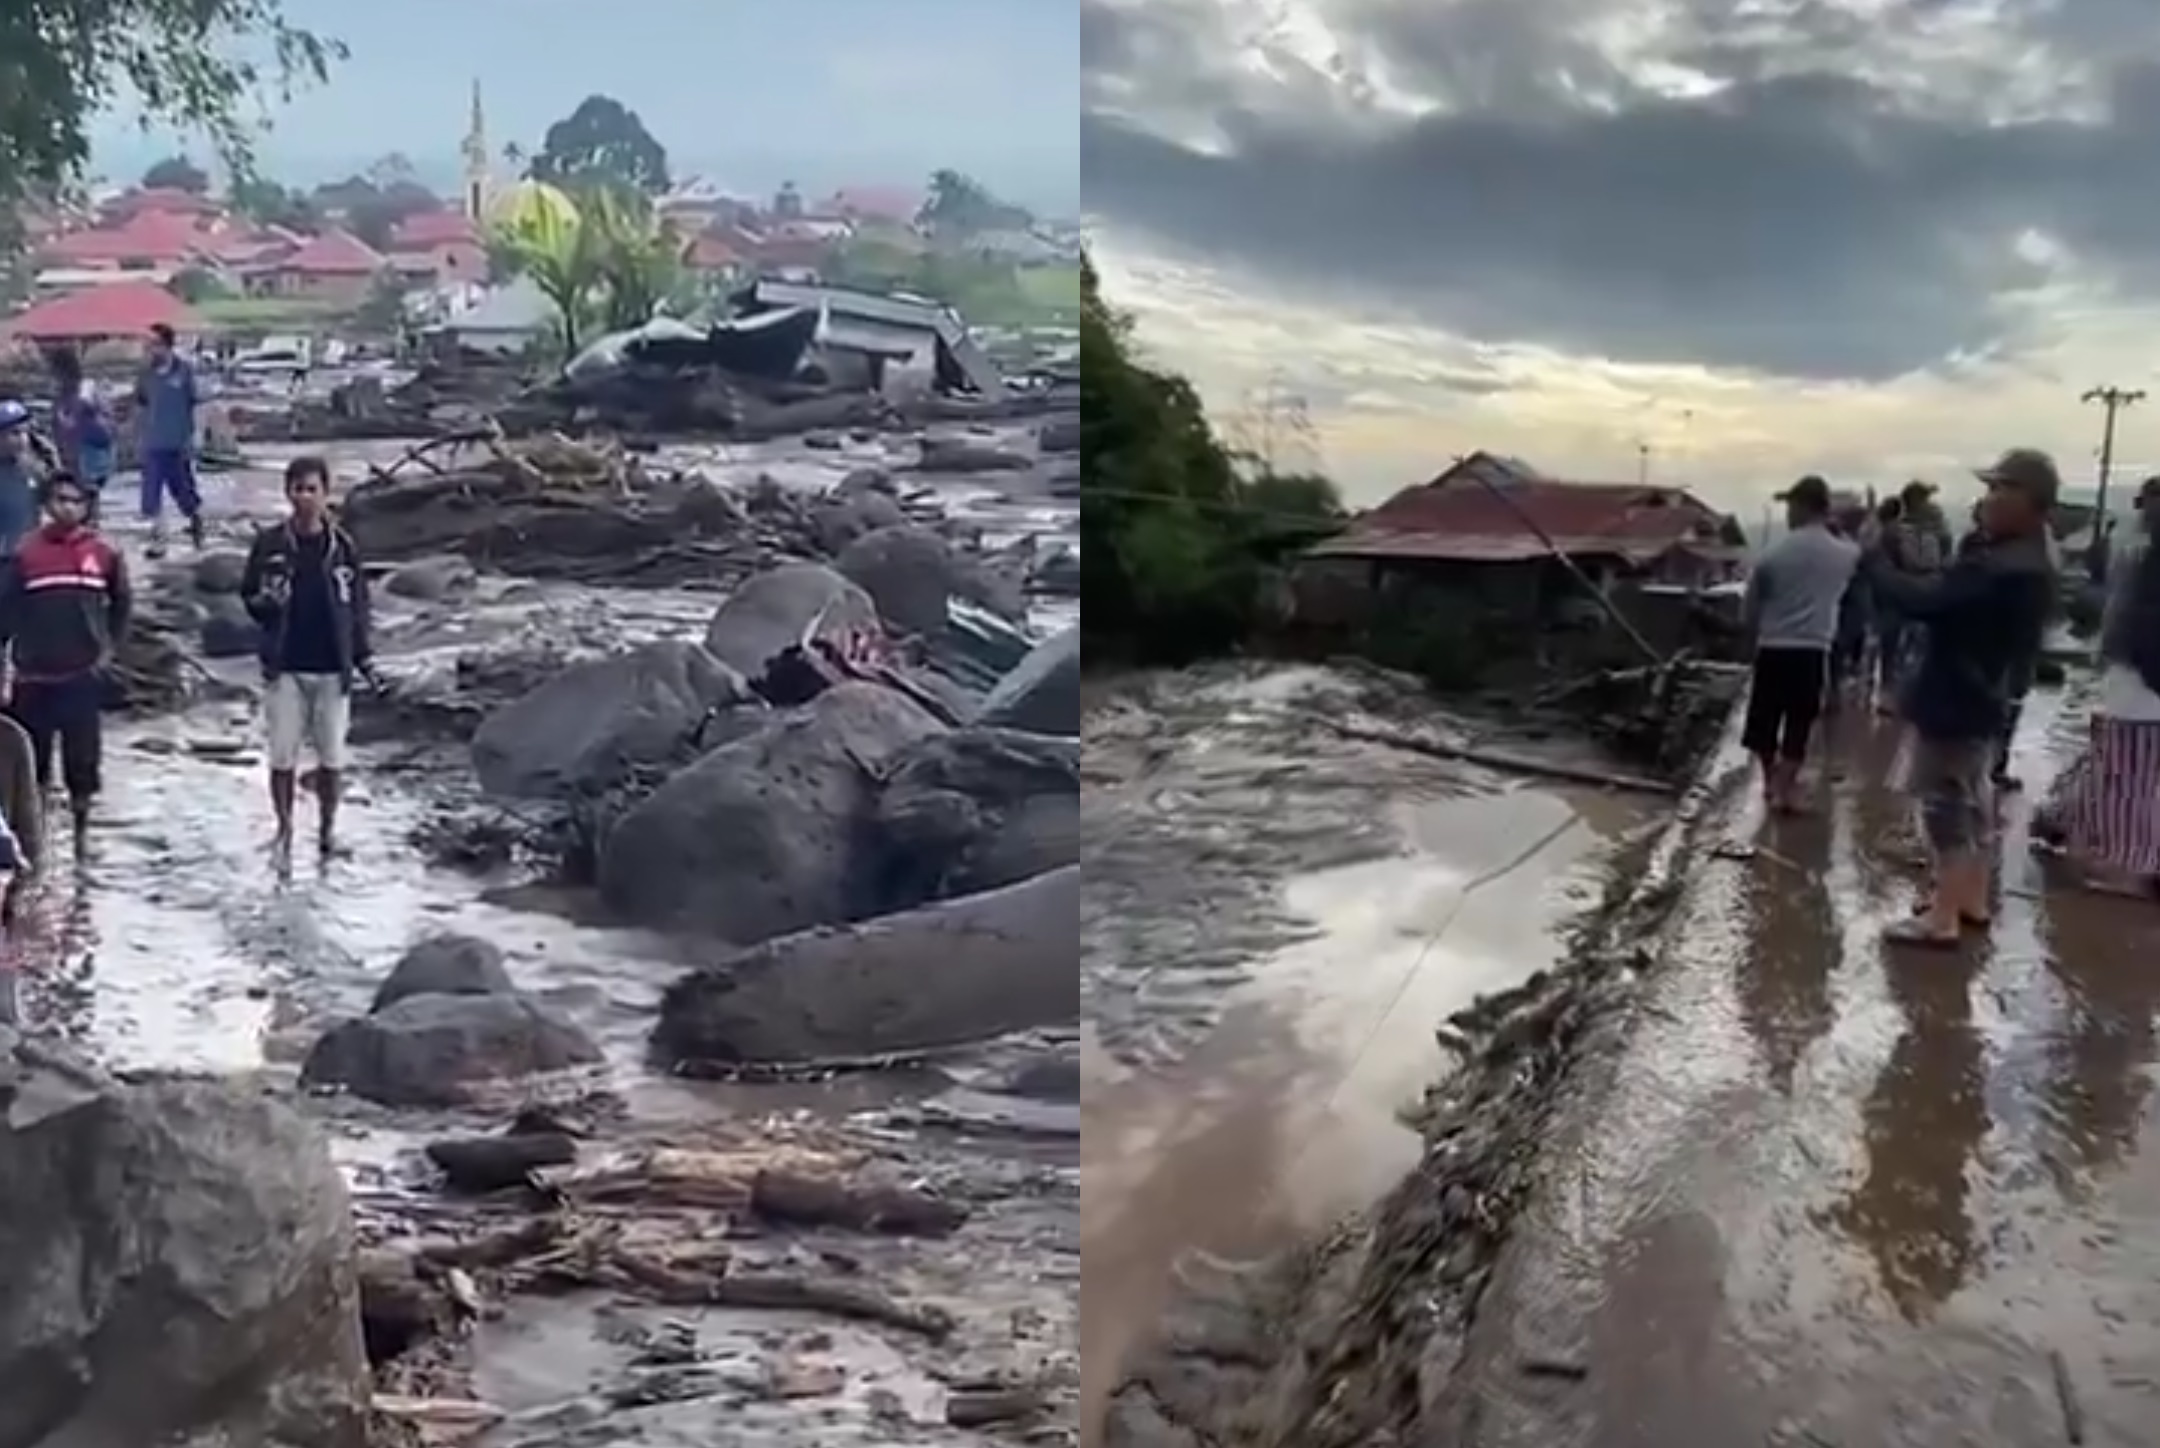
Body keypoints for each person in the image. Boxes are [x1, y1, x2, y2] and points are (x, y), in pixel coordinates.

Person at [1867, 448, 2059, 946]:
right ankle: (1969, 899)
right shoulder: (2027, 555)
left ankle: (1941, 918)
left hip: (1956, 696)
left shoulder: (2001, 566)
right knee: (1974, 800)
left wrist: (1874, 564)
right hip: (1983, 695)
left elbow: (1926, 602)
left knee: (1944, 805)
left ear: (2030, 501)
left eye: (2000, 489)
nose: (1988, 499)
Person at [240, 456, 376, 855]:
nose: (304, 497)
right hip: (285, 665)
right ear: (287, 493)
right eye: (297, 489)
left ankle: (327, 831)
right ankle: (283, 829)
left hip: (333, 666)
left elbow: (359, 607)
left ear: (325, 494)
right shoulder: (270, 544)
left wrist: (364, 656)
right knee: (283, 753)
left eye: (311, 489)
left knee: (332, 755)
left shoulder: (343, 548)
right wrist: (266, 603)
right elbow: (247, 594)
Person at [2033, 475, 2160, 895]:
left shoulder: (2146, 555)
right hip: (2135, 682)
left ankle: (2131, 865)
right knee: (2122, 769)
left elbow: (2133, 621)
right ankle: (2075, 827)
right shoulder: (2139, 553)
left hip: (2141, 687)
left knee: (2131, 779)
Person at [0, 472, 131, 842]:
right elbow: (5, 613)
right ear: (46, 505)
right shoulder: (26, 553)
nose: (68, 508)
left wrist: (110, 648)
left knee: (83, 765)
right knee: (32, 767)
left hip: (82, 676)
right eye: (60, 500)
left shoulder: (104, 553)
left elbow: (121, 602)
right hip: (34, 678)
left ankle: (81, 843)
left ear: (87, 507)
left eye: (76, 501)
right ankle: (35, 844)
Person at [1741, 474, 1861, 813]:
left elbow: (1749, 609)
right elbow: (1861, 549)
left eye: (1791, 506)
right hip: (1813, 650)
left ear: (1804, 507)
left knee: (1764, 720)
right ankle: (1786, 786)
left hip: (1772, 646)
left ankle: (1770, 781)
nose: (1788, 513)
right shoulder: (1844, 554)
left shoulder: (1772, 555)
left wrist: (1751, 635)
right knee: (1800, 720)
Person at [1873, 481, 1955, 713]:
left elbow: (1945, 559)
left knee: (1916, 645)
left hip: (1928, 590)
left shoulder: (1937, 530)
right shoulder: (1894, 532)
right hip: (1900, 592)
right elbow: (1886, 562)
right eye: (1925, 499)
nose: (1930, 504)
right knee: (1892, 643)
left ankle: (1907, 693)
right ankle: (1888, 691)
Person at [134, 321, 206, 558]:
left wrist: (196, 437)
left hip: (179, 442)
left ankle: (196, 520)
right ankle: (159, 539)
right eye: (148, 345)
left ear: (167, 346)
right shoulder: (145, 374)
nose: (150, 350)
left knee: (183, 490)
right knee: (151, 492)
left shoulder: (184, 371)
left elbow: (196, 404)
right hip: (153, 442)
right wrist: (138, 436)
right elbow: (141, 404)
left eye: (154, 345)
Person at [46, 346, 115, 527]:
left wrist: (90, 412)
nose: (56, 377)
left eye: (57, 371)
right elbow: (58, 426)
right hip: (71, 458)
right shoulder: (61, 396)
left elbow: (108, 428)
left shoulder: (89, 390)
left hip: (91, 457)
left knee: (87, 503)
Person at [0, 401, 43, 555]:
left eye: (26, 432)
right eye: (15, 433)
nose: (23, 439)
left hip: (30, 554)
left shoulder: (35, 469)